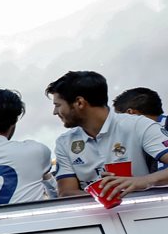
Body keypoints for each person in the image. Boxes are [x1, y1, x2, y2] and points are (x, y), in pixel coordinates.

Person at [47, 71, 168, 200]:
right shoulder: (64, 142)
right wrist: (103, 197)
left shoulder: (138, 125)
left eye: (58, 105)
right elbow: (66, 192)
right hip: (96, 213)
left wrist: (144, 181)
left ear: (79, 103)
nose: (55, 112)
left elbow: (144, 182)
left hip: (143, 209)